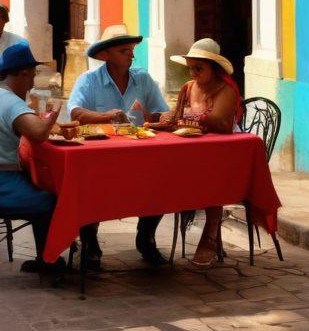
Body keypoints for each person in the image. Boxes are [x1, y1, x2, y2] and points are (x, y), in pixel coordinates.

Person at [68, 24, 169, 266]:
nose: (132, 55)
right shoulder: (89, 80)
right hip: (101, 158)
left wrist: (162, 118)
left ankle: (146, 238)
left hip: (139, 154)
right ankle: (90, 241)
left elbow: (161, 113)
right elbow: (75, 112)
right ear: (105, 55)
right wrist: (107, 116)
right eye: (125, 51)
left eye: (132, 50)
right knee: (88, 185)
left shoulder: (143, 79)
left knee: (163, 179)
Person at [0, 42, 62, 274]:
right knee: (55, 199)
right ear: (22, 74)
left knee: (39, 183)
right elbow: (39, 133)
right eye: (31, 76)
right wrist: (52, 112)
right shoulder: (10, 102)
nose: (32, 83)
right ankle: (49, 260)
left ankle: (45, 256)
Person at [155, 38, 241, 266]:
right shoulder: (188, 88)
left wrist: (187, 118)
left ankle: (210, 235)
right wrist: (166, 119)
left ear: (215, 69)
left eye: (198, 68)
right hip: (192, 150)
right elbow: (176, 116)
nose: (192, 73)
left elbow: (222, 123)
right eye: (190, 68)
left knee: (211, 175)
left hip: (224, 153)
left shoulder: (227, 90)